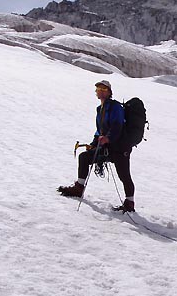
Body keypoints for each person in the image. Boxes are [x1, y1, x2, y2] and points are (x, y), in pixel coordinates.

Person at [57, 80, 136, 212]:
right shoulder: (100, 109)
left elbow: (118, 125)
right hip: (108, 147)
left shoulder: (116, 107)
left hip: (121, 147)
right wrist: (94, 143)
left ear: (109, 92)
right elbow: (99, 130)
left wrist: (108, 138)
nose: (100, 91)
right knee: (84, 157)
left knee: (124, 175)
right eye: (99, 88)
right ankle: (79, 188)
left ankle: (130, 203)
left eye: (104, 89)